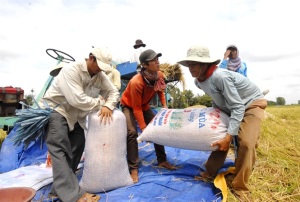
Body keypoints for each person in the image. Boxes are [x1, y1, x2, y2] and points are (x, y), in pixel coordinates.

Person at [178, 45, 267, 201]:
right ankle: (209, 172)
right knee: (218, 135)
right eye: (189, 64)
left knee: (245, 142)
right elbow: (217, 98)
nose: (190, 68)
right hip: (230, 107)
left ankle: (240, 186)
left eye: (194, 64)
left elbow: (238, 107)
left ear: (204, 64)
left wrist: (229, 136)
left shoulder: (220, 77)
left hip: (251, 103)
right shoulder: (198, 82)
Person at [41, 47, 119, 202]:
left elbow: (114, 92)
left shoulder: (100, 76)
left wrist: (108, 105)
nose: (99, 70)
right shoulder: (71, 70)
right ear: (91, 58)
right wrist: (99, 102)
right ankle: (74, 196)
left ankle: (58, 191)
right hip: (57, 110)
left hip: (76, 116)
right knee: (61, 149)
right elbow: (77, 100)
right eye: (98, 66)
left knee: (78, 144)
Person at [121, 49, 177, 183]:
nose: (157, 62)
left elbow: (160, 92)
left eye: (158, 59)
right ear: (145, 65)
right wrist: (144, 129)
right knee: (132, 133)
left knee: (157, 128)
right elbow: (136, 108)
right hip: (129, 105)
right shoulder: (136, 82)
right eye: (154, 60)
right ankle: (133, 169)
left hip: (144, 104)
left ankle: (162, 160)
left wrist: (164, 106)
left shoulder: (159, 75)